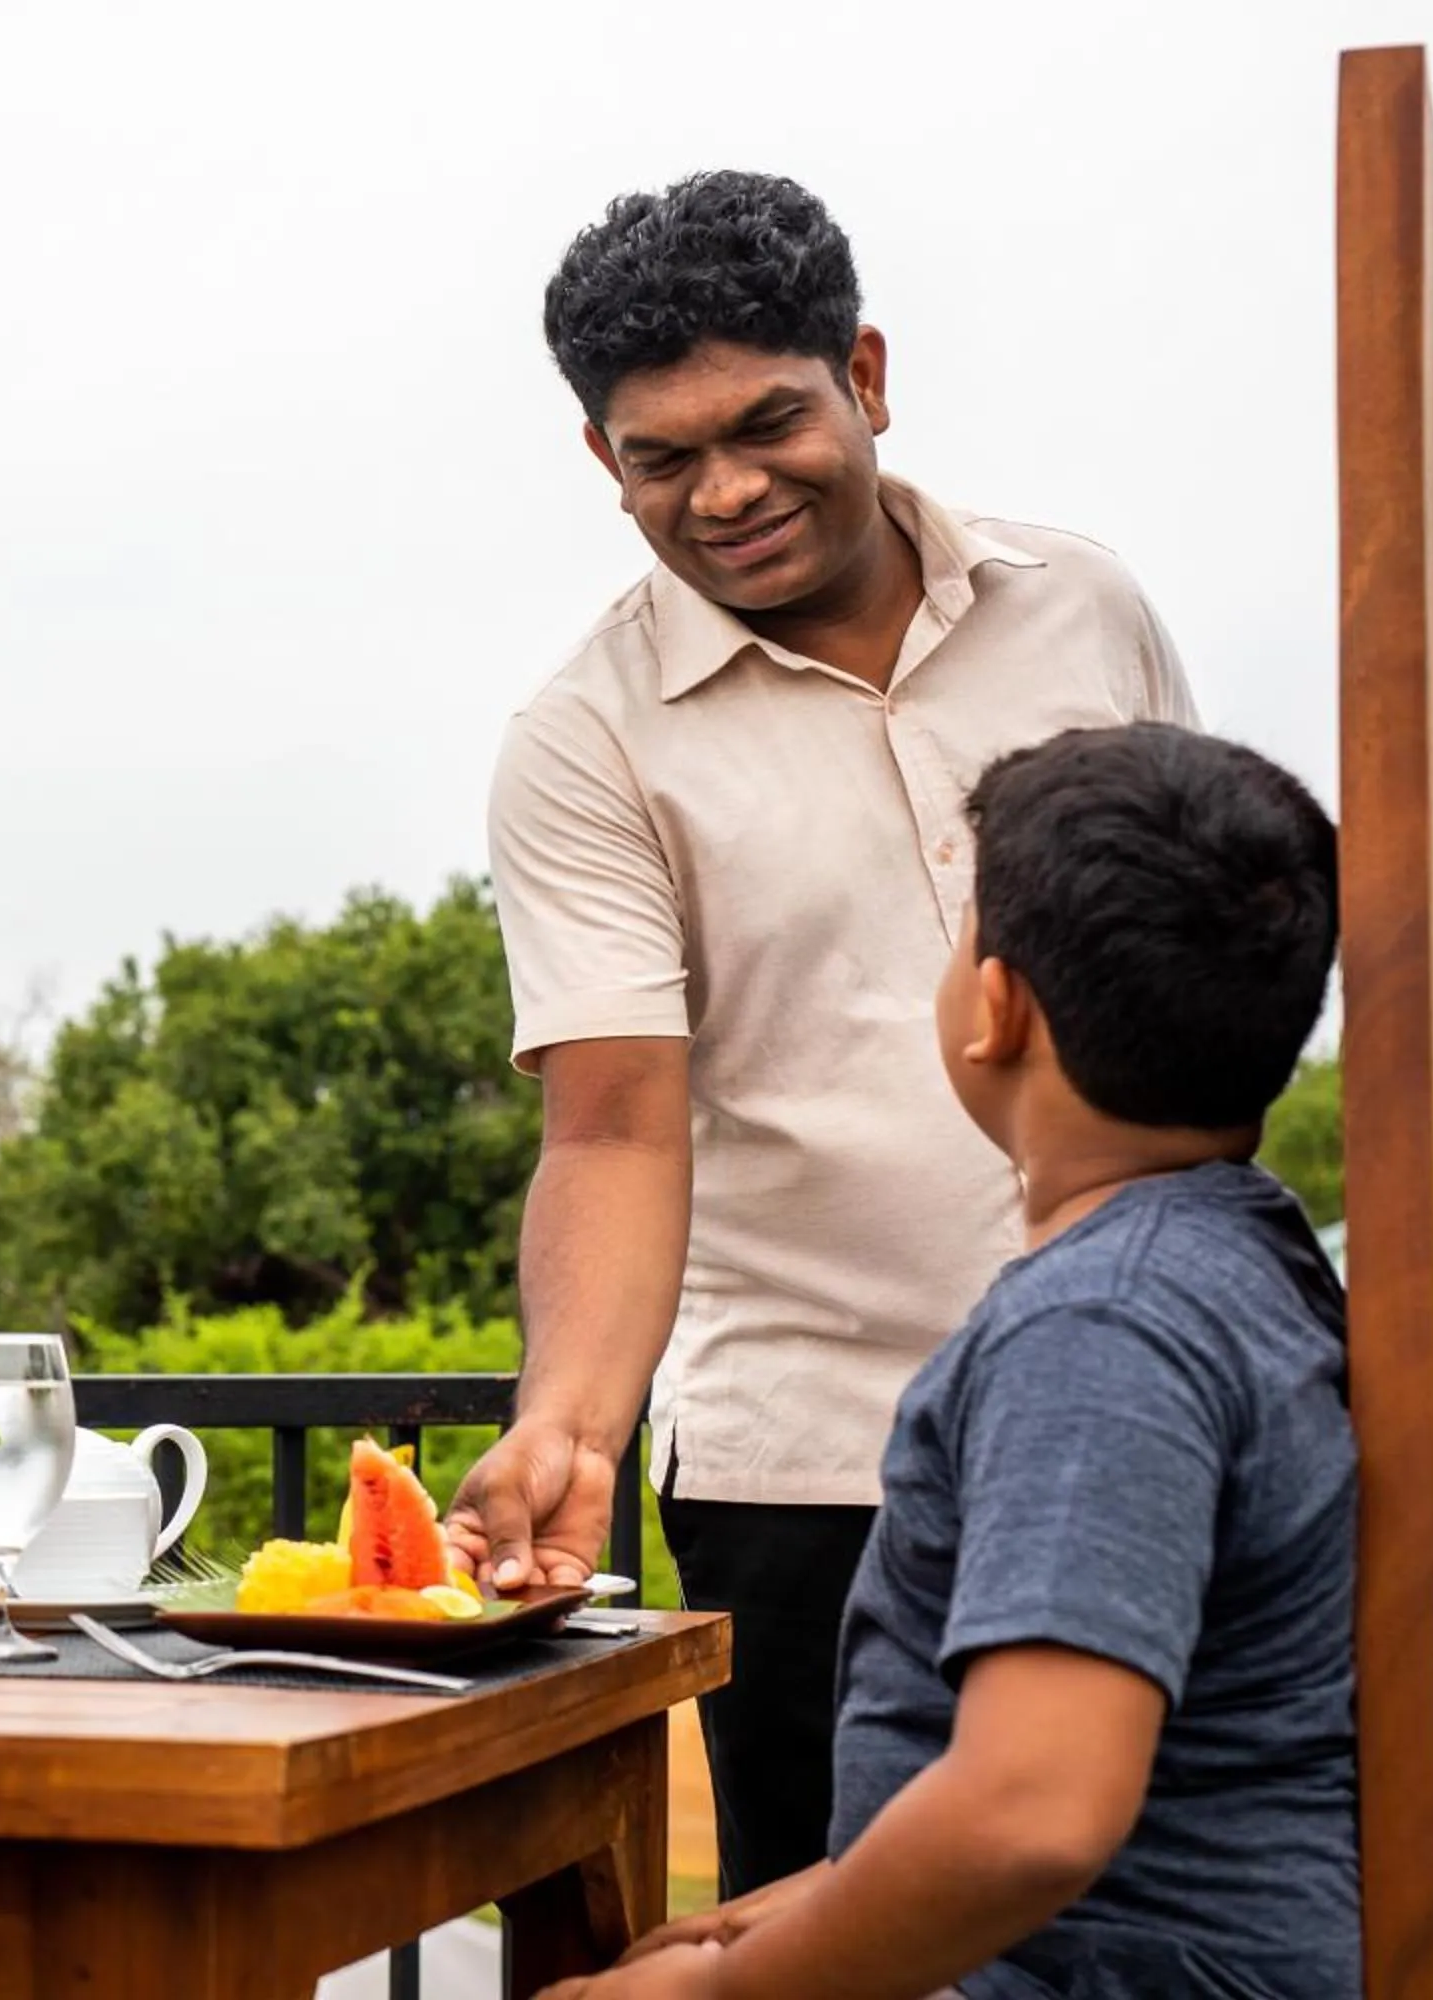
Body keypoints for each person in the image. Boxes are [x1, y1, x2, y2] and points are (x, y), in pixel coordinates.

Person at [448, 169, 1199, 1896]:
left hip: (1149, 1410)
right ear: (602, 463)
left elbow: (1193, 978)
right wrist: (568, 1424)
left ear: (864, 371)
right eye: (659, 457)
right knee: (841, 1929)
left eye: (768, 420)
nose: (724, 492)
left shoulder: (1088, 607)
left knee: (1171, 1923)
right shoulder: (583, 743)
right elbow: (616, 1125)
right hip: (811, 1472)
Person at [545, 721, 1357, 1999]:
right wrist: (761, 1923)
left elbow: (1031, 1811)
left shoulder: (1099, 1332)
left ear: (997, 1005)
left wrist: (723, 1995)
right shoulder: (1241, 1255)